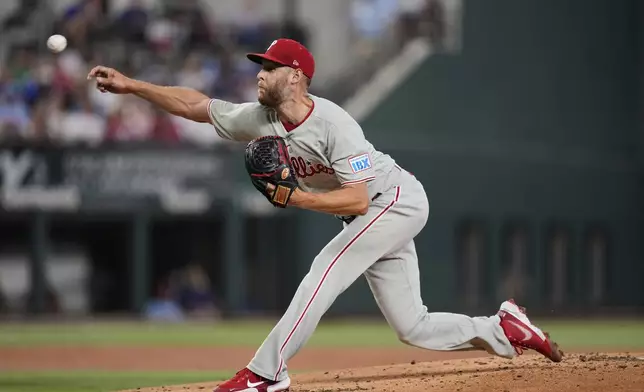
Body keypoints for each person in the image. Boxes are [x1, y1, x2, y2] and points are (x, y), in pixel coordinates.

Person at [87, 38, 563, 392]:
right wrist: (132, 86)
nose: (259, 73)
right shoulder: (261, 118)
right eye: (259, 66)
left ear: (296, 75)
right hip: (369, 213)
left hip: (392, 201)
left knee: (325, 270)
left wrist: (296, 198)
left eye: (269, 67)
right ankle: (503, 329)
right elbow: (198, 106)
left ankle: (265, 373)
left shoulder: (335, 124)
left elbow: (357, 200)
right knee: (411, 325)